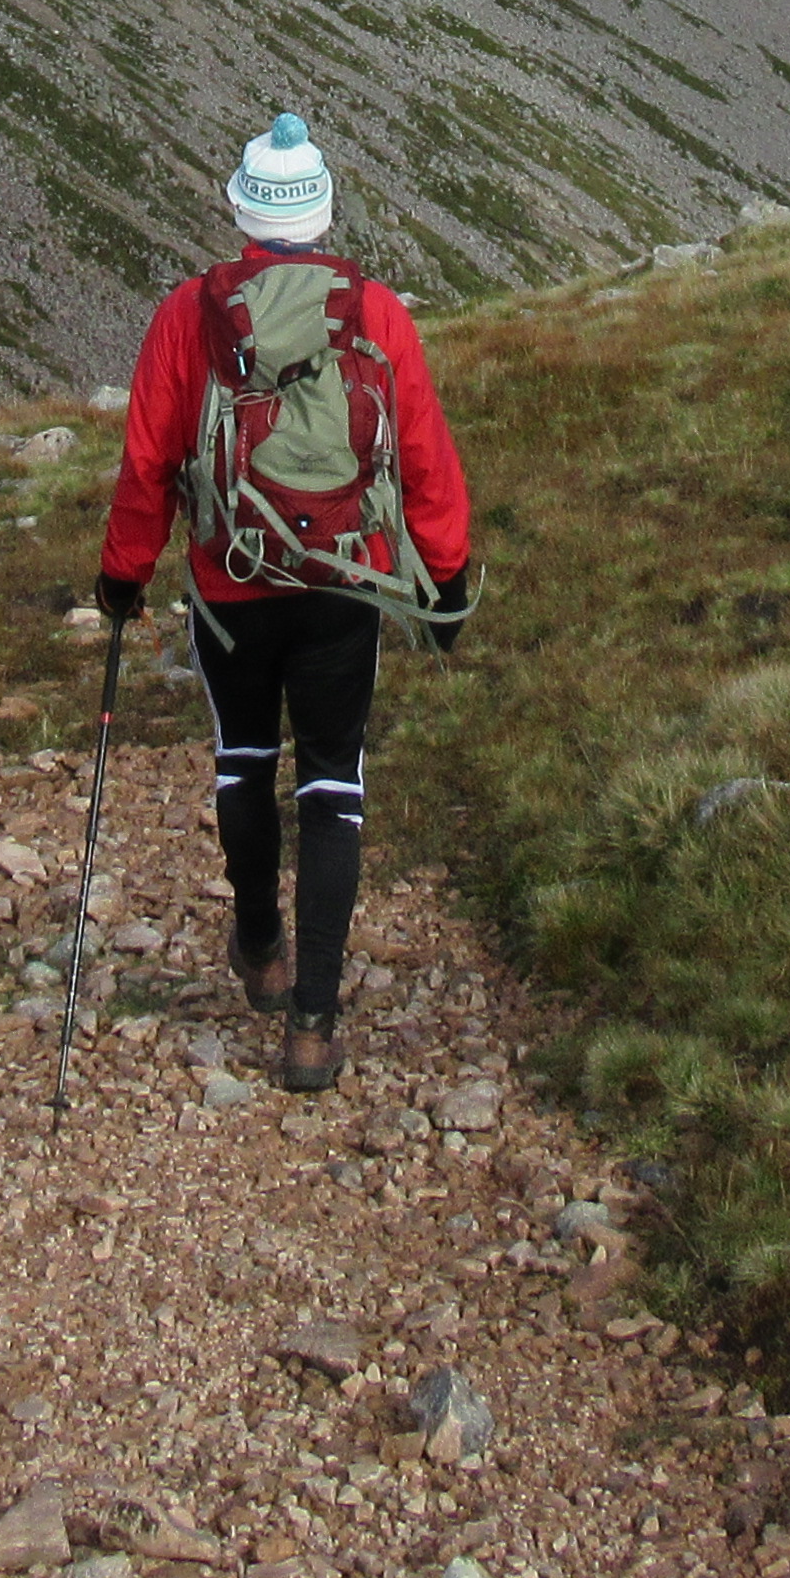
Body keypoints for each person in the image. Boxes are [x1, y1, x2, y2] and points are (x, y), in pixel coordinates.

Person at [90, 113, 477, 1095]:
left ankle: (259, 941)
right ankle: (313, 1023)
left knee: (245, 761)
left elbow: (148, 463)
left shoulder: (192, 315)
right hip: (346, 578)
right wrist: (448, 576)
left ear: (242, 209)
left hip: (231, 581)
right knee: (332, 784)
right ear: (323, 209)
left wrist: (123, 574)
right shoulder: (377, 312)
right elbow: (421, 451)